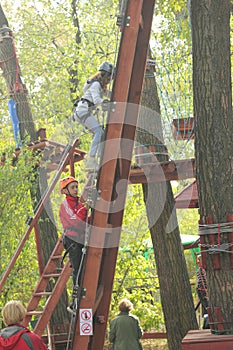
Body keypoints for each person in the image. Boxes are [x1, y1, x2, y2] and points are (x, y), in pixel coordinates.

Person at [73, 61, 114, 170]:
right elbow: (96, 100)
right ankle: (91, 159)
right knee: (99, 132)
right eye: (108, 78)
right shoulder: (95, 85)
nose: (108, 81)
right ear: (104, 75)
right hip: (83, 111)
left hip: (82, 112)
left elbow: (109, 94)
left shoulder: (99, 86)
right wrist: (105, 103)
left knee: (101, 133)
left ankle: (100, 158)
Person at [59, 176, 89, 314]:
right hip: (73, 240)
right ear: (65, 191)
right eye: (73, 187)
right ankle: (75, 303)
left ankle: (79, 300)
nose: (76, 190)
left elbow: (83, 219)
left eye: (77, 187)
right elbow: (75, 221)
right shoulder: (65, 205)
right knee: (78, 270)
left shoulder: (77, 203)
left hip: (79, 239)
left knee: (83, 269)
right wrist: (85, 209)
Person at [196, 254, 209, 329]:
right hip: (202, 291)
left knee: (206, 307)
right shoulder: (201, 270)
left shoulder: (202, 269)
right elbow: (203, 282)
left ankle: (206, 324)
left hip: (203, 290)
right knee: (207, 306)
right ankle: (206, 325)